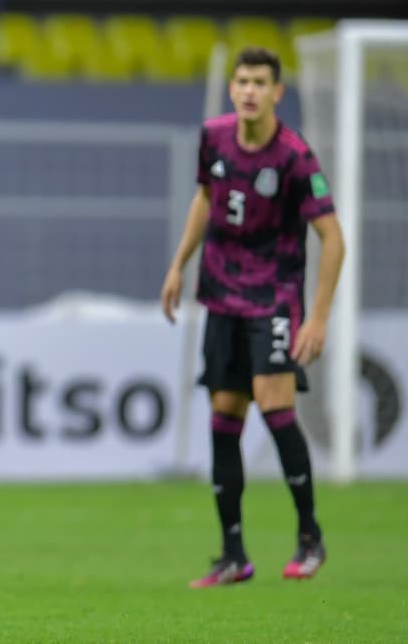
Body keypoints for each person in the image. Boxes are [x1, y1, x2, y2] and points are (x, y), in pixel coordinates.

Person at [160, 47, 346, 589]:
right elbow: (204, 198)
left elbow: (333, 238)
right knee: (223, 414)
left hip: (273, 297)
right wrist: (179, 265)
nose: (248, 90)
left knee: (275, 403)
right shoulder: (214, 137)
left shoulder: (294, 156)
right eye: (241, 81)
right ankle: (233, 554)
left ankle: (310, 537)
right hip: (220, 294)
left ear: (276, 92)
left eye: (260, 82)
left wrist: (319, 317)